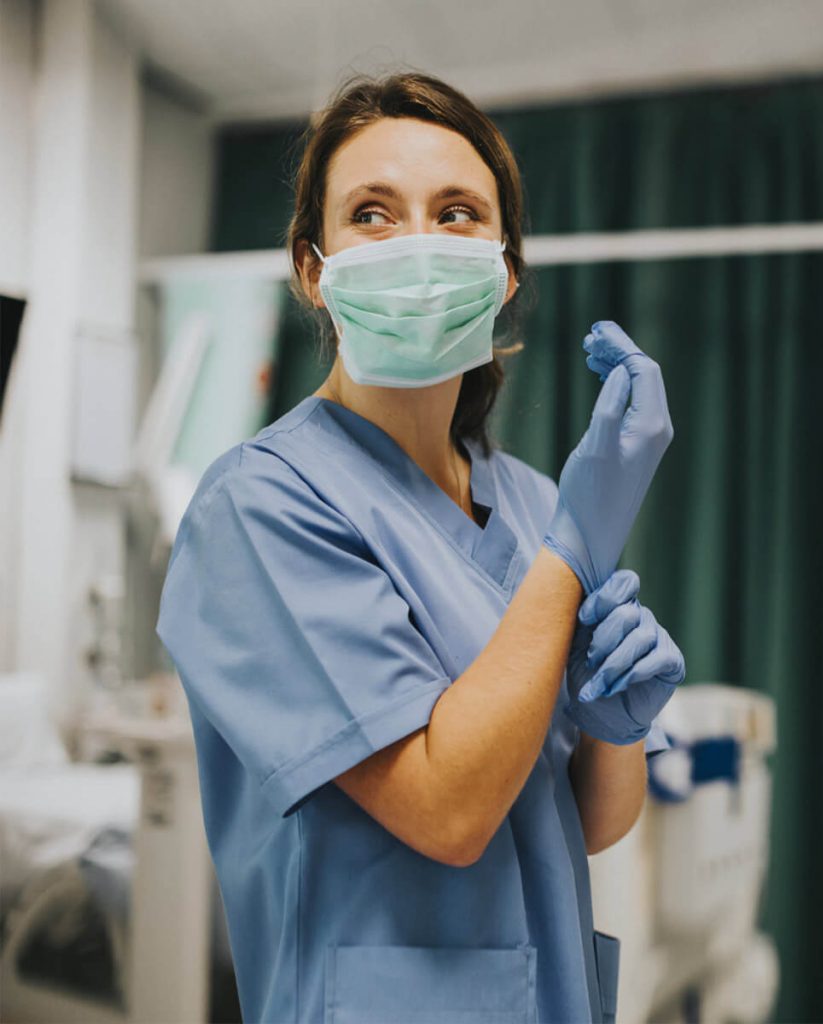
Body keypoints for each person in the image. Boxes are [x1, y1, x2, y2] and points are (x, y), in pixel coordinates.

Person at [156, 72, 684, 1024]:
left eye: (456, 215)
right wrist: (573, 551)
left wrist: (621, 729)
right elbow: (448, 810)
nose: (419, 248)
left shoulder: (528, 502)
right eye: (372, 214)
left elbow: (586, 825)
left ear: (505, 271)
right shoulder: (262, 504)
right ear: (313, 270)